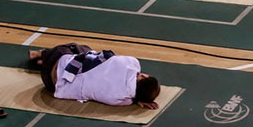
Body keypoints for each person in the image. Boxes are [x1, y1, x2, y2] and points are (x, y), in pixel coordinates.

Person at [28, 44, 160, 109]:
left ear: (143, 76)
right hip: (51, 85)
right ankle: (41, 60)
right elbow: (131, 97)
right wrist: (138, 98)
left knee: (82, 49)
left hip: (57, 59)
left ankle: (39, 54)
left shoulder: (132, 63)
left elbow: (109, 57)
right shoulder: (122, 101)